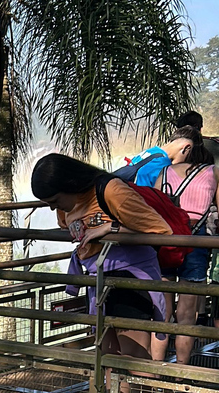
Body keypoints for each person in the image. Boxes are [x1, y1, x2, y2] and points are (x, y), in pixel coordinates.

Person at [32, 153, 172, 393]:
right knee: (108, 356)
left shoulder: (110, 191)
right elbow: (73, 227)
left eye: (55, 200)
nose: (55, 208)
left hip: (128, 277)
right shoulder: (65, 208)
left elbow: (162, 230)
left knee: (134, 358)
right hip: (98, 279)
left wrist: (113, 228)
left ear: (70, 184)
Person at [150, 144, 219, 364]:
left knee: (162, 313)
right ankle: (181, 374)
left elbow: (154, 206)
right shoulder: (214, 172)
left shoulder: (164, 172)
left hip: (166, 239)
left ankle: (156, 374)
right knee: (187, 315)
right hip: (195, 242)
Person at [126, 126, 202, 187]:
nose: (186, 163)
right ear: (186, 148)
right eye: (190, 157)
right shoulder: (162, 164)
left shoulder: (151, 152)